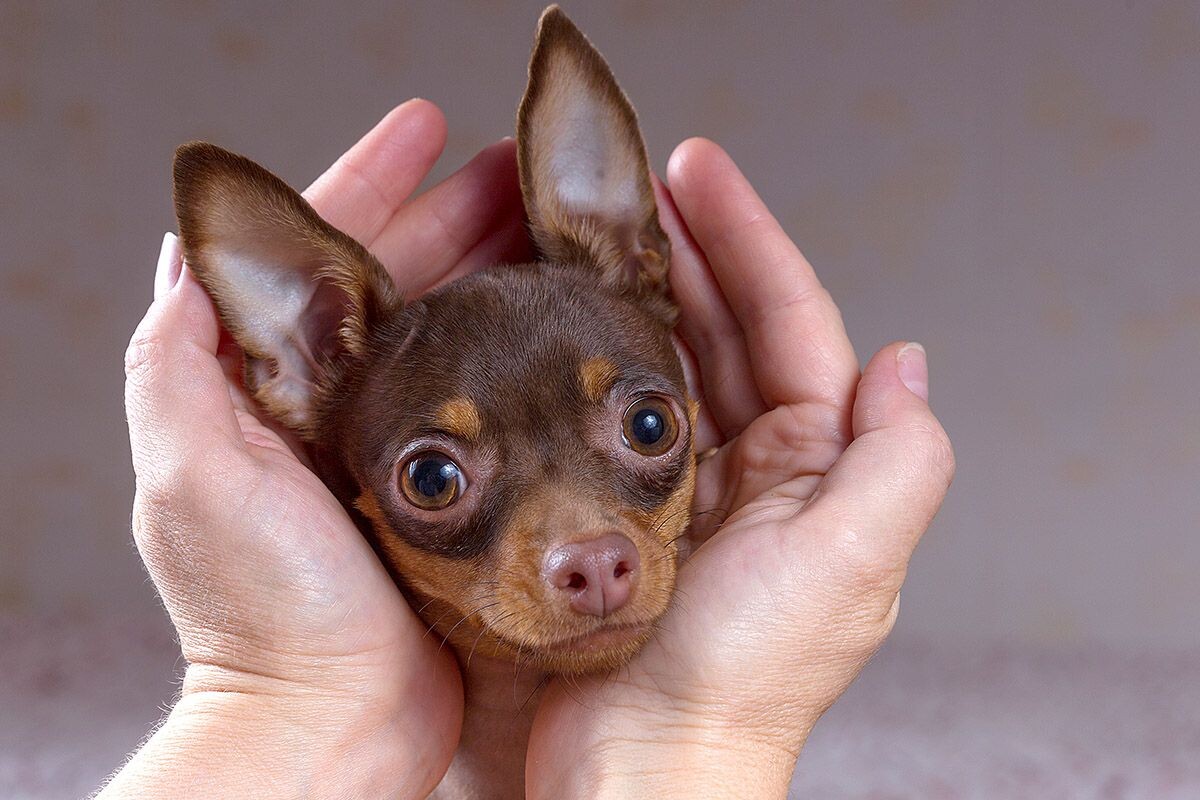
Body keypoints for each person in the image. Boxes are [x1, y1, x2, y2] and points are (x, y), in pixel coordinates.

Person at [104, 99, 954, 798]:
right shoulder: (342, 364)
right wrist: (288, 695)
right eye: (436, 479)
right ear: (301, 370)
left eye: (645, 429)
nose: (585, 555)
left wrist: (694, 726)